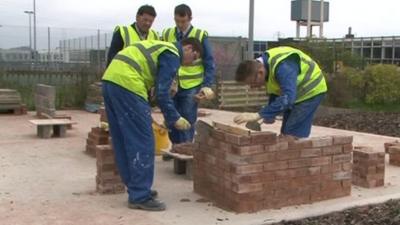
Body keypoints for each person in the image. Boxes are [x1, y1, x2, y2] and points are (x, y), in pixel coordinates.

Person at [102, 38, 203, 211]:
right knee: (143, 140)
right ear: (187, 48)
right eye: (193, 58)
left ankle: (135, 187)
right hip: (128, 83)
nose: (189, 64)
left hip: (110, 80)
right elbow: (162, 94)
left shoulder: (158, 47)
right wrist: (174, 118)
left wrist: (158, 110)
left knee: (121, 138)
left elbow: (156, 89)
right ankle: (140, 195)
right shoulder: (172, 53)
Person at [233, 46, 327, 138]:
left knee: (291, 133)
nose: (252, 87)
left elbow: (288, 99)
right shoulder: (267, 69)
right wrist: (270, 114)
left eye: (252, 83)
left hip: (311, 90)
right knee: (285, 132)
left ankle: (298, 150)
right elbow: (276, 92)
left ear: (260, 73)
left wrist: (259, 115)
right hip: (296, 92)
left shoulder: (282, 67)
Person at [162, 4, 216, 145]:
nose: (180, 25)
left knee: (187, 117)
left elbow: (209, 61)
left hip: (192, 84)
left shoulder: (200, 35)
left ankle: (186, 148)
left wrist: (206, 85)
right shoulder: (167, 34)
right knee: (172, 116)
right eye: (177, 21)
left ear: (190, 18)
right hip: (172, 83)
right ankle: (176, 147)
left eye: (183, 21)